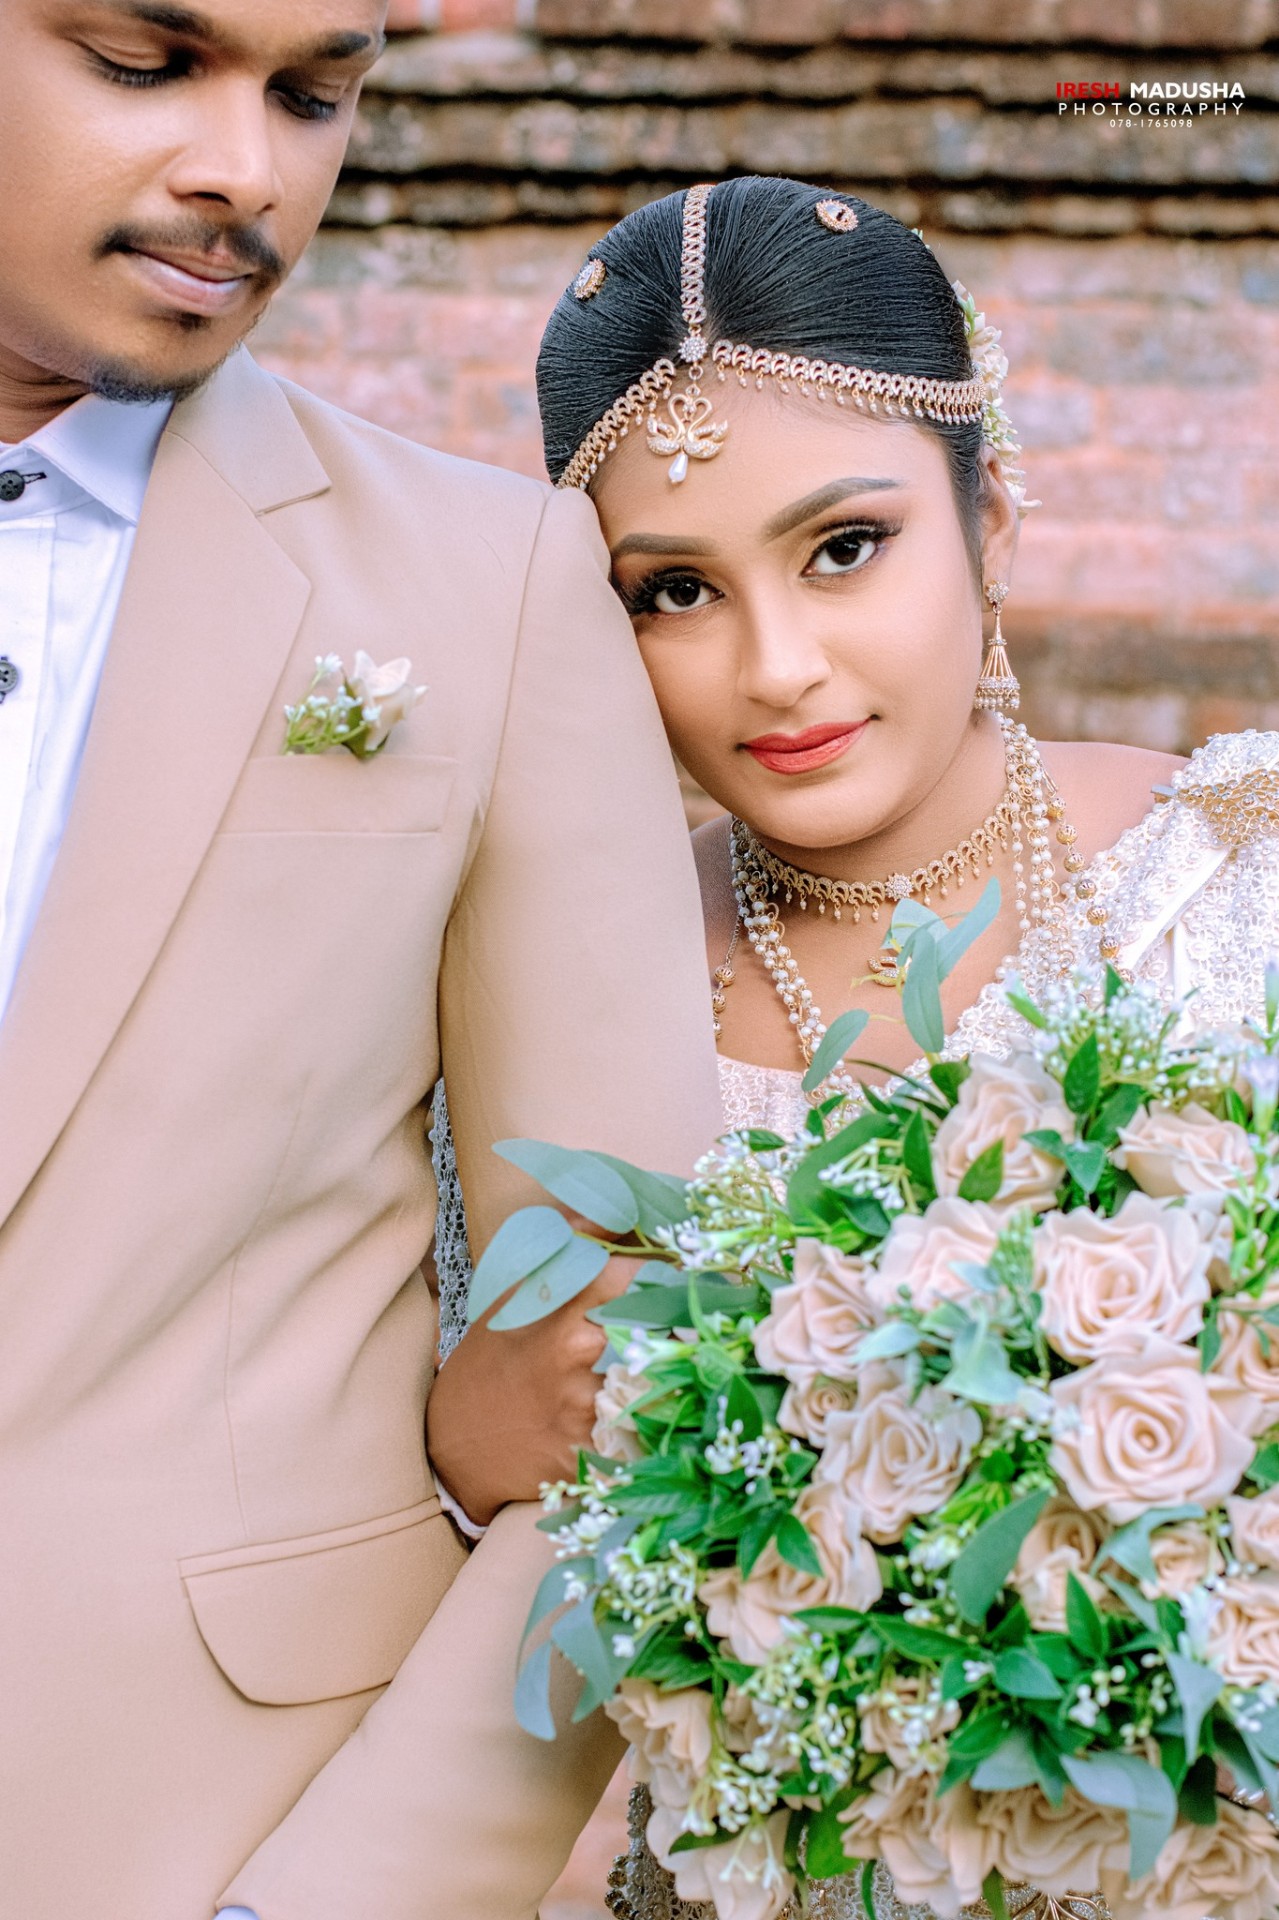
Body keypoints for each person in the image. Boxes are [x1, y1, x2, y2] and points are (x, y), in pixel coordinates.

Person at [438, 174, 1279, 1918]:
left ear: (994, 515)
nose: (777, 668)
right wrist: (463, 1448)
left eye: (844, 547)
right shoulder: (538, 990)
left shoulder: (1244, 875)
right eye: (675, 590)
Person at [0, 4, 723, 1916]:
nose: (248, 170)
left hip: (194, 1840)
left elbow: (641, 1370)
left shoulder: (488, 592)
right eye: (147, 64)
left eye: (315, 95)